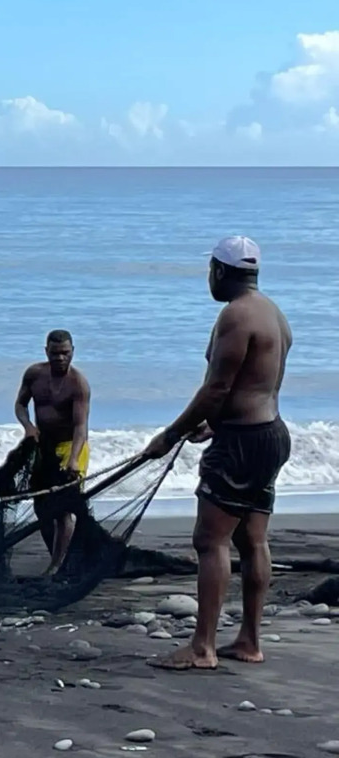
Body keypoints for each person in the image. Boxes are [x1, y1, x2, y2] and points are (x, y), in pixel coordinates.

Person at [144, 236, 292, 671]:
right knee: (253, 539)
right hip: (271, 434)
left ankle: (202, 647)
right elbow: (256, 383)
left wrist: (171, 435)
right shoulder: (274, 314)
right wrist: (215, 424)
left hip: (242, 444)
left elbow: (218, 387)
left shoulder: (235, 315)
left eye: (210, 270)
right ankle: (248, 640)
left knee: (210, 540)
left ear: (220, 271)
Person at [14, 330, 92, 576]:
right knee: (41, 506)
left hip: (71, 445)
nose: (60, 358)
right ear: (46, 351)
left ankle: (58, 565)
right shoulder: (34, 374)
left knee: (63, 508)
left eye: (65, 353)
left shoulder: (78, 384)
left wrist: (73, 461)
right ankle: (57, 555)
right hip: (43, 444)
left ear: (73, 352)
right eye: (55, 353)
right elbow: (20, 404)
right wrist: (28, 427)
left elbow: (81, 427)